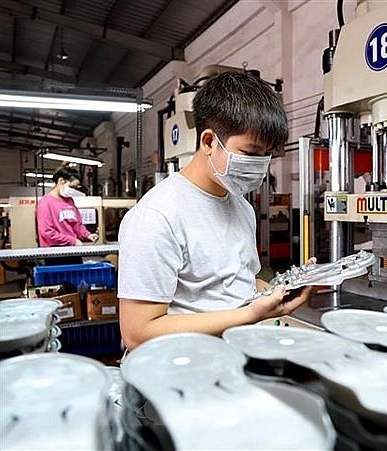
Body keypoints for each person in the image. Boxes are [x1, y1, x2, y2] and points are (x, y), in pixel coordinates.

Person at [118, 71, 314, 351]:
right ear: (209, 141)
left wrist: (281, 289)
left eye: (266, 155)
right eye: (251, 153)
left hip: (233, 359)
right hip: (181, 372)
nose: (261, 164)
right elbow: (138, 333)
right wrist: (250, 315)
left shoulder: (242, 208)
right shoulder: (157, 215)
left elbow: (239, 282)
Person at [36, 165, 99, 265]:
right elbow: (47, 232)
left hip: (73, 252)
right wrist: (72, 241)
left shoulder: (69, 201)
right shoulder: (45, 203)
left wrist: (88, 235)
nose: (73, 191)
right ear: (61, 181)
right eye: (72, 187)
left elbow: (77, 224)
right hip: (55, 255)